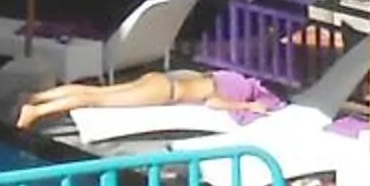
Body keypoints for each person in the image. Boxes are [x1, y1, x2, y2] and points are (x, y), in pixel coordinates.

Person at [15, 66, 282, 130]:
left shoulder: (233, 77)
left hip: (160, 80)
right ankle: (35, 112)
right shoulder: (240, 92)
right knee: (93, 100)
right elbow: (214, 103)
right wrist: (246, 105)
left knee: (96, 92)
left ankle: (37, 97)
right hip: (165, 92)